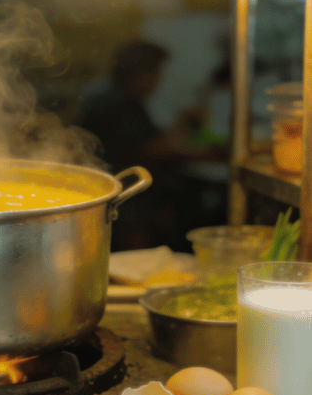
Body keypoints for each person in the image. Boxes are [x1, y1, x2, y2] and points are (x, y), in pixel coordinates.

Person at [77, 40, 228, 251]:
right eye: (157, 74)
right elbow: (157, 149)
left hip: (115, 198)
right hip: (128, 205)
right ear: (143, 73)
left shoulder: (106, 93)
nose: (159, 81)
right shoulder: (118, 102)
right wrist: (185, 122)